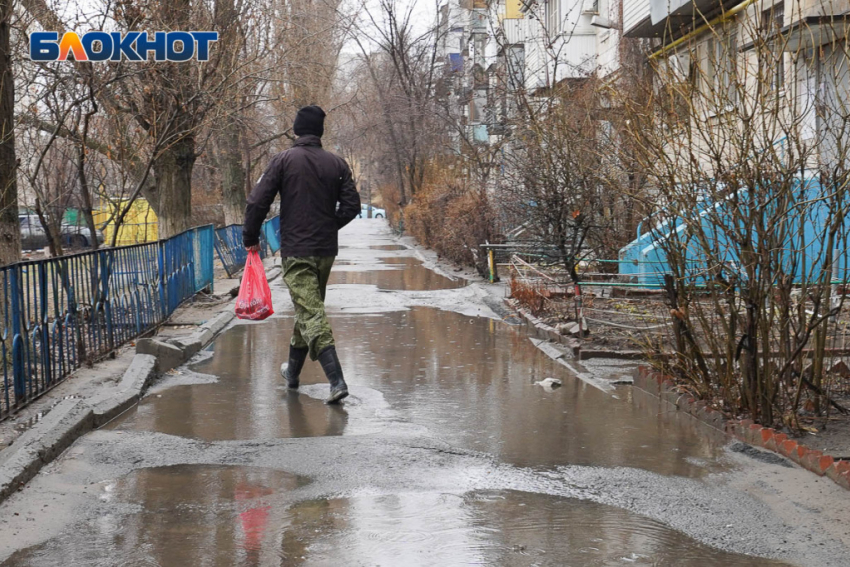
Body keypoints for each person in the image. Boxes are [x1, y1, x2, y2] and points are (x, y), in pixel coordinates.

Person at [243, 105, 360, 403]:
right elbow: (351, 207)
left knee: (311, 312)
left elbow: (257, 202)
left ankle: (337, 381)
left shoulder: (283, 160)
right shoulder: (337, 164)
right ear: (319, 132)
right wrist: (328, 226)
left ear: (296, 129)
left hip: (296, 251)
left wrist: (250, 237)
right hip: (325, 251)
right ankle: (292, 372)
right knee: (307, 309)